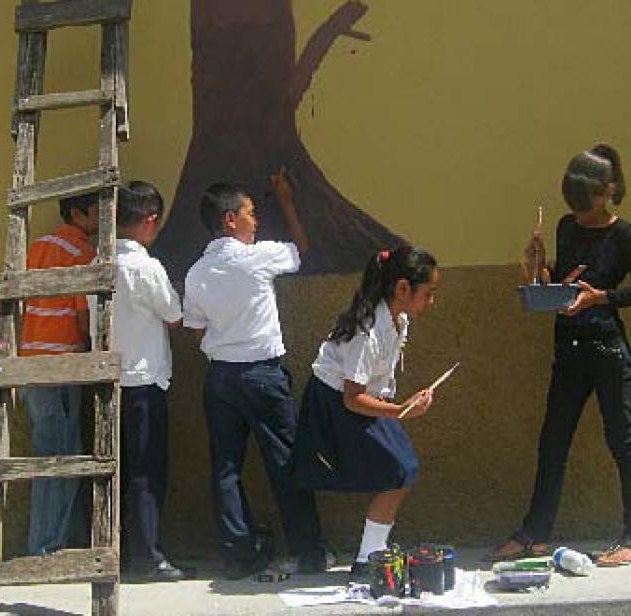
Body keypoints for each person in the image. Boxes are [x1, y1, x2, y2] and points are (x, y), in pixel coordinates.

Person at [487, 143, 631, 567]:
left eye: (588, 206)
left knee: (622, 440)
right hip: (568, 347)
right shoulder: (566, 226)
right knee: (552, 442)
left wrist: (601, 298)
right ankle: (535, 534)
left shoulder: (623, 234)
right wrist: (535, 270)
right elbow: (560, 286)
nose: (581, 215)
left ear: (608, 193)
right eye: (576, 207)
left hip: (605, 347)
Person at [182, 172, 330, 579]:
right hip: (262, 376)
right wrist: (285, 199)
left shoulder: (195, 273)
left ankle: (240, 552)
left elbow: (197, 329)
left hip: (219, 379)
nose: (256, 220)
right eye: (250, 212)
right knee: (285, 462)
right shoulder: (258, 257)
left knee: (225, 468)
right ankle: (308, 550)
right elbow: (300, 249)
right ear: (231, 219)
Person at [289, 246, 440, 583]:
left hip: (366, 400)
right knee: (398, 468)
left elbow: (378, 380)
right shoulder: (367, 330)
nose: (431, 301)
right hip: (335, 404)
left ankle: (370, 555)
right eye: (428, 294)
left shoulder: (398, 320)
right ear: (403, 289)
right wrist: (400, 411)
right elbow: (352, 397)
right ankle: (368, 559)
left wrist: (399, 405)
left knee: (403, 469)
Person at [113, 181, 195, 581]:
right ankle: (147, 555)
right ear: (149, 221)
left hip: (104, 381)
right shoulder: (147, 267)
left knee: (112, 470)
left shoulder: (98, 263)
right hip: (143, 380)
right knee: (146, 470)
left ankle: (116, 551)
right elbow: (175, 316)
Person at [18, 192, 98, 556]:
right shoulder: (82, 252)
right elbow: (84, 316)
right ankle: (47, 547)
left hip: (30, 359)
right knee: (60, 456)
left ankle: (62, 538)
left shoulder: (37, 246)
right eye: (98, 212)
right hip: (61, 361)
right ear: (79, 215)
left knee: (50, 450)